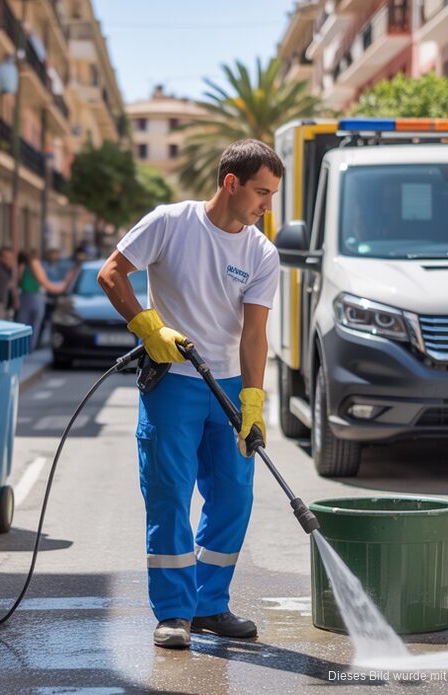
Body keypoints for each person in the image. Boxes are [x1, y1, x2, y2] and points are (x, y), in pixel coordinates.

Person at [97, 139, 283, 648]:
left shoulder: (261, 252)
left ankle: (209, 604)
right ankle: (174, 613)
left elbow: (254, 333)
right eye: (261, 193)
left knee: (233, 498)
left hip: (225, 388)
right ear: (231, 183)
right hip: (173, 384)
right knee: (169, 497)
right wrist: (147, 326)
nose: (267, 206)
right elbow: (111, 273)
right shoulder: (170, 222)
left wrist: (252, 403)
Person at [16, 248, 76, 348]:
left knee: (22, 324)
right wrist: (64, 286)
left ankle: (20, 349)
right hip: (34, 297)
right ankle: (28, 349)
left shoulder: (22, 266)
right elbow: (45, 283)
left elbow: (18, 281)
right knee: (33, 325)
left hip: (24, 296)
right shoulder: (34, 263)